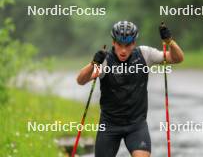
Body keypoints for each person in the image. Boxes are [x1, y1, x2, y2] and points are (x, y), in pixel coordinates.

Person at [76, 21, 184, 157]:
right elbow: (80, 80)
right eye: (119, 45)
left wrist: (169, 41)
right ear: (113, 42)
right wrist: (93, 64)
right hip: (109, 125)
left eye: (127, 45)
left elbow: (177, 58)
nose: (123, 50)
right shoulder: (105, 61)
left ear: (134, 43)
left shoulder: (145, 54)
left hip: (136, 125)